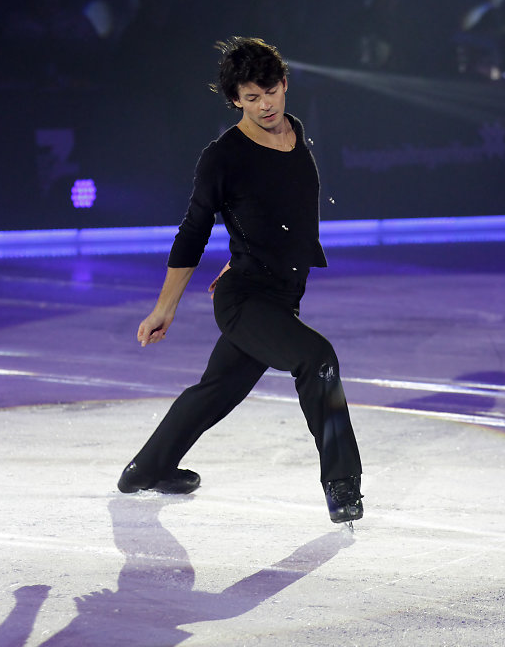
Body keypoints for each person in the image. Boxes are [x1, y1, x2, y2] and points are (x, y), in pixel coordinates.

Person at [117, 37, 363, 526]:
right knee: (317, 360)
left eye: (270, 90)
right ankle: (343, 486)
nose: (265, 104)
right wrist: (165, 307)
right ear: (235, 100)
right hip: (246, 300)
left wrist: (247, 252)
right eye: (250, 97)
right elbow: (194, 230)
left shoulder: (295, 131)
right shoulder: (222, 156)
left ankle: (147, 469)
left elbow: (280, 211)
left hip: (279, 293)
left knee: (218, 390)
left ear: (285, 83)